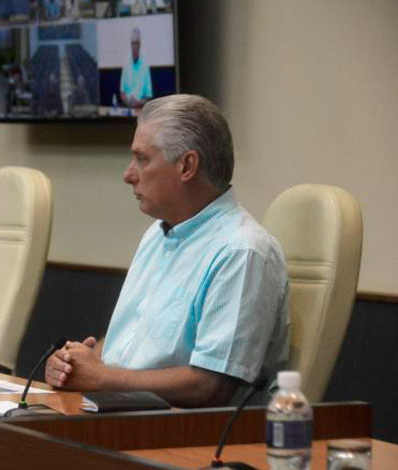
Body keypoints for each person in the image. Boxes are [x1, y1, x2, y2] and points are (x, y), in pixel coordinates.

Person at [45, 95, 290, 407]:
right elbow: (131, 342)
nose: (128, 174)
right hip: (121, 416)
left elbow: (210, 385)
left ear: (186, 165)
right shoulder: (157, 234)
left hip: (185, 436)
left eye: (142, 159)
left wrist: (102, 377)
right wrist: (77, 362)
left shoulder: (241, 251)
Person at [119, 28, 153, 108]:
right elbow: (122, 93)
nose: (133, 46)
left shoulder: (145, 67)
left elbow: (148, 96)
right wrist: (128, 102)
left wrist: (137, 103)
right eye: (132, 43)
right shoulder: (126, 65)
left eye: (135, 43)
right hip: (127, 107)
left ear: (140, 44)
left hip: (140, 108)